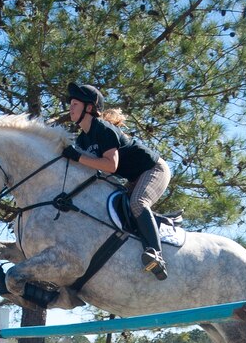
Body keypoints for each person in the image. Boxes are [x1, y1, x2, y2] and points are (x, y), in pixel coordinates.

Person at [61, 82, 170, 280]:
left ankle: (156, 255)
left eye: (75, 104)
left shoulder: (102, 128)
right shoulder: (81, 140)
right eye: (70, 104)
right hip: (133, 177)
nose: (70, 108)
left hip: (153, 169)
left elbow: (110, 166)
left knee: (138, 203)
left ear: (89, 108)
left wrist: (77, 157)